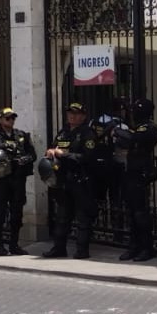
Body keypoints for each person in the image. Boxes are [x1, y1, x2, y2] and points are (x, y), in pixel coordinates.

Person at [43, 101, 105, 259]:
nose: (72, 116)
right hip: (64, 180)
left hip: (81, 181)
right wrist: (50, 151)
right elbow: (54, 146)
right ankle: (59, 248)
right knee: (62, 216)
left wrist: (65, 155)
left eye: (76, 113)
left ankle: (82, 250)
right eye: (70, 113)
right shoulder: (63, 132)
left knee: (82, 217)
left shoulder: (87, 133)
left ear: (83, 116)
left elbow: (88, 157)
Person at [0, 106, 35, 256]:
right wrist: (4, 145)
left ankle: (14, 245)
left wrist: (26, 159)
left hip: (18, 179)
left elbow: (33, 154)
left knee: (17, 213)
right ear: (0, 119)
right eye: (7, 118)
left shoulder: (21, 135)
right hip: (2, 180)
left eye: (12, 118)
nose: (10, 120)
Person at [112, 97, 157, 262]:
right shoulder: (137, 128)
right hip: (130, 172)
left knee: (141, 213)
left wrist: (118, 131)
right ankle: (134, 246)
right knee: (131, 212)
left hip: (141, 173)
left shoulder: (149, 127)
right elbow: (125, 141)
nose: (133, 113)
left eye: (135, 110)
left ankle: (147, 248)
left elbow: (133, 139)